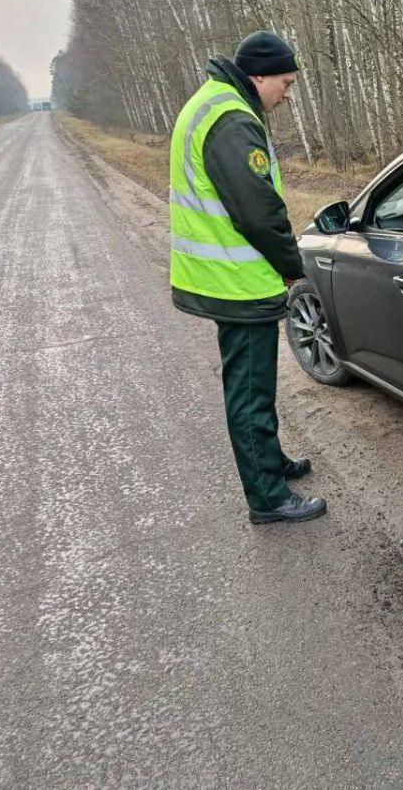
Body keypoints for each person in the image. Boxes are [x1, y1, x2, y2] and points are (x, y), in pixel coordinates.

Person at [169, 31, 326, 524]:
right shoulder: (232, 118)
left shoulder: (216, 103)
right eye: (285, 82)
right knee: (251, 390)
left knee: (254, 385)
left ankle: (270, 462)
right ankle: (268, 496)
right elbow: (258, 212)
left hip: (225, 277)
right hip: (237, 281)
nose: (288, 92)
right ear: (259, 75)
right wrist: (290, 266)